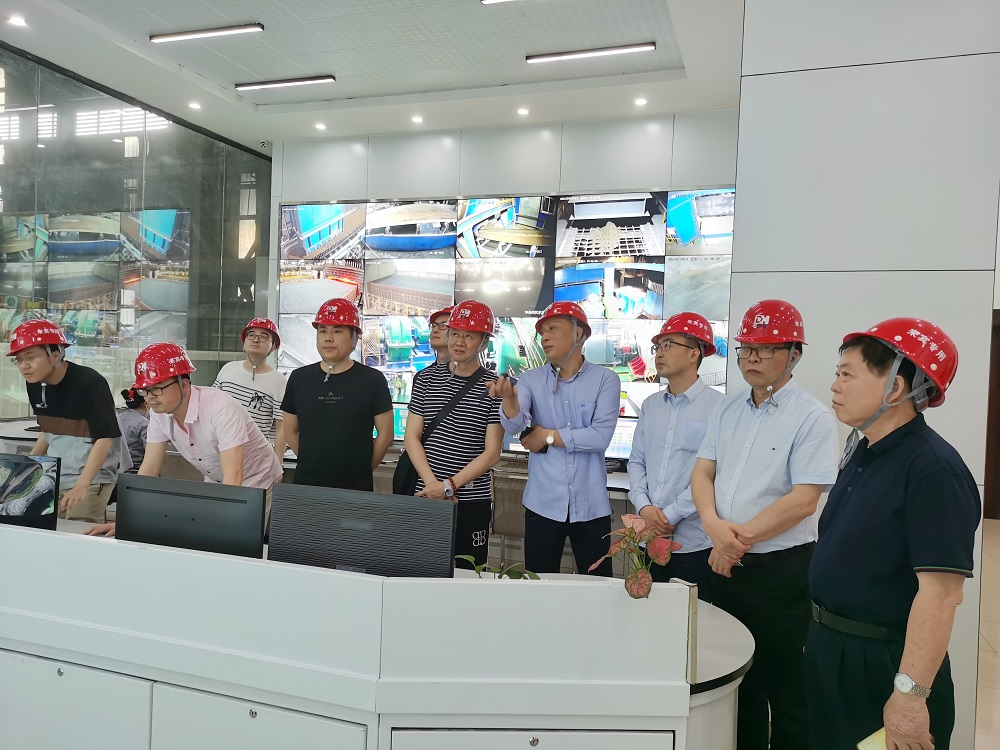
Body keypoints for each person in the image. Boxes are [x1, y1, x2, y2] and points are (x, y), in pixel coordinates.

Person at [807, 318, 979, 750]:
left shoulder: (932, 469)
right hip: (833, 651)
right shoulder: (863, 450)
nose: (834, 386)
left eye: (847, 374)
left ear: (896, 387)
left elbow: (941, 594)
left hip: (882, 662)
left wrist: (909, 697)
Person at [690, 299, 839, 750]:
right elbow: (702, 472)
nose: (752, 358)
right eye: (747, 348)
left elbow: (804, 500)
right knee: (737, 685)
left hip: (779, 574)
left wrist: (733, 542)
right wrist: (714, 526)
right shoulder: (727, 409)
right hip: (723, 567)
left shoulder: (813, 417)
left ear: (794, 354)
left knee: (786, 687)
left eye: (766, 349)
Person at [86, 343, 282, 537]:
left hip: (257, 479)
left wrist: (222, 524)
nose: (149, 398)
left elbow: (234, 474)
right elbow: (149, 469)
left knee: (234, 538)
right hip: (217, 479)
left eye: (157, 388)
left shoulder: (221, 409)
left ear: (184, 385)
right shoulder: (160, 413)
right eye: (144, 390)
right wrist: (128, 520)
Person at [491, 301, 619, 576]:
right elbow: (515, 425)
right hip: (542, 504)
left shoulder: (606, 380)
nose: (544, 337)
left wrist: (547, 436)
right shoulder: (530, 380)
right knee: (539, 585)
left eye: (552, 329)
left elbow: (599, 437)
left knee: (598, 586)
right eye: (542, 332)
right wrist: (510, 401)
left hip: (591, 506)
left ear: (578, 333)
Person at [628, 312, 722, 600]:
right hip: (647, 539)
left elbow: (713, 474)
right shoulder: (651, 405)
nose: (659, 353)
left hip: (693, 544)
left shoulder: (719, 408)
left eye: (669, 345)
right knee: (647, 615)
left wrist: (669, 516)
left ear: (694, 353)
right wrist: (644, 508)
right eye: (658, 346)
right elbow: (637, 462)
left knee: (692, 619)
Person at [404, 300, 503, 566]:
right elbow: (411, 437)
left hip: (472, 500)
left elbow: (492, 452)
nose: (459, 342)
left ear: (484, 342)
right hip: (427, 494)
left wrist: (449, 486)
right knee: (420, 568)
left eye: (469, 336)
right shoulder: (425, 379)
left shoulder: (494, 387)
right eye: (455, 333)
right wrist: (433, 486)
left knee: (468, 571)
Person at [7, 319, 123, 524]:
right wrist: (27, 466)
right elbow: (49, 429)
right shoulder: (34, 384)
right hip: (56, 474)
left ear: (55, 355)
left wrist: (82, 485)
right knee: (49, 530)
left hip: (92, 477)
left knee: (79, 533)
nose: (24, 366)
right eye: (18, 359)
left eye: (30, 357)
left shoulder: (89, 383)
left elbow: (105, 438)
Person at [281, 298, 393, 490]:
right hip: (306, 487)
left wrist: (362, 470)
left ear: (354, 337)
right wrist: (311, 463)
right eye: (322, 330)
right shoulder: (299, 378)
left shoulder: (372, 380)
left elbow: (386, 434)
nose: (328, 338)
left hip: (355, 489)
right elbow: (290, 431)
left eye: (337, 331)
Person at [213, 318, 287, 459]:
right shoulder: (227, 369)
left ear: (273, 346)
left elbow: (281, 428)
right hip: (219, 451)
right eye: (251, 335)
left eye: (263, 337)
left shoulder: (279, 382)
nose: (256, 340)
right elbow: (211, 408)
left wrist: (278, 463)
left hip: (257, 457)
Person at [116, 388, 149, 473]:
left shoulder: (118, 418)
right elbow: (150, 452)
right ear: (145, 403)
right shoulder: (144, 423)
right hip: (136, 469)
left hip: (117, 468)